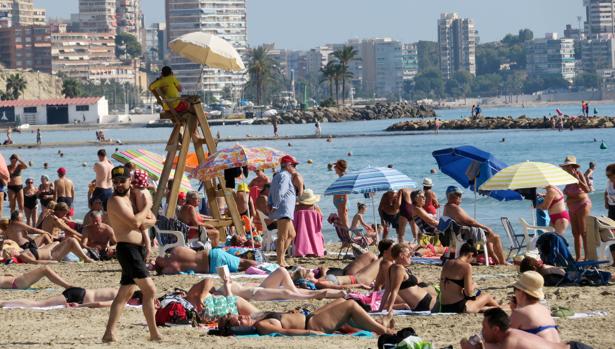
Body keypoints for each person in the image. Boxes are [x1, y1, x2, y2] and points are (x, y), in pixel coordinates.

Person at [102, 166, 161, 343]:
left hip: (137, 250)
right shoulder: (115, 201)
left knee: (125, 293)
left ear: (129, 181)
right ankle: (154, 333)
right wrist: (148, 206)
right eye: (116, 182)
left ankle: (109, 333)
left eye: (122, 181)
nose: (119, 184)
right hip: (127, 250)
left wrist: (144, 218)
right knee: (150, 290)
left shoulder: (133, 199)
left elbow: (153, 220)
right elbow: (136, 222)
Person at [218, 298, 396, 336]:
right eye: (239, 322)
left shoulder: (258, 318)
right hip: (314, 324)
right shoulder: (261, 326)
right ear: (238, 328)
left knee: (343, 300)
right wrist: (311, 333)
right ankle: (384, 330)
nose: (243, 319)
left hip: (311, 315)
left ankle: (378, 324)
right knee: (350, 306)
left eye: (239, 316)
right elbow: (285, 332)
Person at [460, 308, 591, 349]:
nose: (482, 331)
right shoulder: (510, 333)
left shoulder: (509, 342)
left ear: (495, 329)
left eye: (484, 327)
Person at [443, 186, 507, 265]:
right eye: (458, 195)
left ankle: (496, 260)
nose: (460, 197)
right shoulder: (454, 208)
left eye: (460, 195)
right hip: (464, 235)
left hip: (457, 235)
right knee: (495, 237)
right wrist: (485, 227)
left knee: (489, 239)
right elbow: (470, 221)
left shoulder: (446, 207)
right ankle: (502, 262)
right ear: (450, 196)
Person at [439, 242, 499, 313]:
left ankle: (497, 306)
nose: (471, 262)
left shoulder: (447, 263)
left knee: (483, 306)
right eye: (472, 259)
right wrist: (474, 285)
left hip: (444, 307)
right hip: (459, 306)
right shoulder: (466, 266)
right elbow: (468, 293)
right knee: (487, 296)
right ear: (471, 255)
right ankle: (500, 308)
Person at [219, 267, 337, 301]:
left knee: (282, 270)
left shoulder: (219, 290)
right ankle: (311, 296)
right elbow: (230, 300)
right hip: (254, 293)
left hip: (258, 288)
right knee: (286, 292)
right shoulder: (220, 294)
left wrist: (227, 281)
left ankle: (342, 294)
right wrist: (226, 284)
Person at [380, 243, 438, 313]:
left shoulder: (392, 268)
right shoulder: (399, 268)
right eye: (409, 255)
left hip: (422, 303)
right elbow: (394, 291)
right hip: (425, 303)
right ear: (401, 255)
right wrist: (389, 309)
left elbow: (387, 291)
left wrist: (380, 309)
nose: (411, 257)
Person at [509, 271, 561, 343]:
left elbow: (505, 337)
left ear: (521, 292)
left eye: (515, 289)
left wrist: (513, 311)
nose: (514, 294)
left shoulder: (520, 313)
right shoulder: (545, 310)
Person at [269, 155, 300, 267]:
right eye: (294, 165)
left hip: (285, 210)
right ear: (287, 165)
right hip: (284, 209)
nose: (295, 168)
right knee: (282, 236)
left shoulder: (278, 175)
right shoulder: (285, 176)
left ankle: (281, 257)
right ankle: (280, 261)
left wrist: (270, 203)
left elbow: (271, 191)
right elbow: (279, 192)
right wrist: (275, 205)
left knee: (292, 234)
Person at [561, 156, 592, 261]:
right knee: (575, 233)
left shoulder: (579, 174)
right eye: (565, 166)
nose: (566, 168)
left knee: (583, 232)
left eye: (568, 166)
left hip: (582, 205)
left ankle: (587, 257)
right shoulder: (567, 178)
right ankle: (578, 257)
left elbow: (587, 189)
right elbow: (566, 192)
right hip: (572, 207)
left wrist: (577, 179)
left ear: (573, 166)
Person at [0, 287, 142, 309]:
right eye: (138, 303)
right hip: (79, 296)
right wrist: (79, 306)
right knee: (38, 304)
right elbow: (99, 304)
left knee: (40, 304)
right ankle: (3, 303)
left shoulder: (121, 289)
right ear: (135, 299)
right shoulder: (123, 298)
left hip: (79, 292)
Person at [153, 246, 257, 275]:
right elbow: (194, 251)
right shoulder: (176, 250)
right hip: (212, 255)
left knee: (240, 268)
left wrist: (154, 267)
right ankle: (262, 266)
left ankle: (259, 267)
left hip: (211, 269)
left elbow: (162, 271)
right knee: (243, 262)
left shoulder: (171, 269)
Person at [6, 237, 95, 264]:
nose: (13, 248)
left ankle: (81, 254)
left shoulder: (23, 252)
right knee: (71, 240)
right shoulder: (22, 255)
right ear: (12, 255)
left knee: (56, 242)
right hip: (52, 256)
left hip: (51, 251)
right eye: (11, 250)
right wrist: (52, 262)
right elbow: (35, 262)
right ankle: (85, 258)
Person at [0, 266, 72, 290]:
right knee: (44, 269)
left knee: (45, 270)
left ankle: (67, 285)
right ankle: (67, 286)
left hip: (17, 281)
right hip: (17, 282)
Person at [333, 160, 349, 228]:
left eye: (335, 166)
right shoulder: (341, 177)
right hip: (340, 202)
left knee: (345, 225)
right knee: (343, 224)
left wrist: (344, 205)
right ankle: (347, 237)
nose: (334, 168)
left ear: (339, 168)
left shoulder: (343, 178)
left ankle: (349, 237)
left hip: (341, 203)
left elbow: (345, 193)